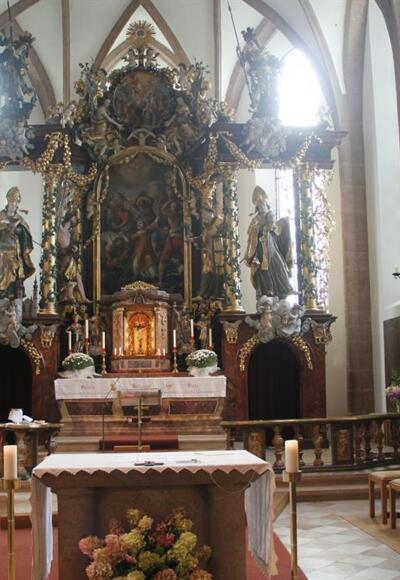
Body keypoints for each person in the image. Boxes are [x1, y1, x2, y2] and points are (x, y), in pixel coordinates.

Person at [244, 185, 293, 300]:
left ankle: (284, 288)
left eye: (262, 203)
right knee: (262, 270)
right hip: (260, 249)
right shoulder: (255, 219)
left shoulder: (270, 214)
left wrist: (271, 226)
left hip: (271, 245)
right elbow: (250, 232)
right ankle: (266, 290)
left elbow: (274, 228)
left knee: (278, 264)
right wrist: (258, 229)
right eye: (258, 204)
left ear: (266, 203)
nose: (261, 206)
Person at [0, 186, 35, 298]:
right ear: (8, 202)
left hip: (14, 249)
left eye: (16, 203)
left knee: (12, 261)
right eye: (12, 202)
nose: (14, 205)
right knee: (2, 257)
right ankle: (3, 291)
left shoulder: (19, 218)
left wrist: (17, 230)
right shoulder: (1, 215)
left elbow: (25, 232)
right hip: (2, 247)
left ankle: (10, 291)